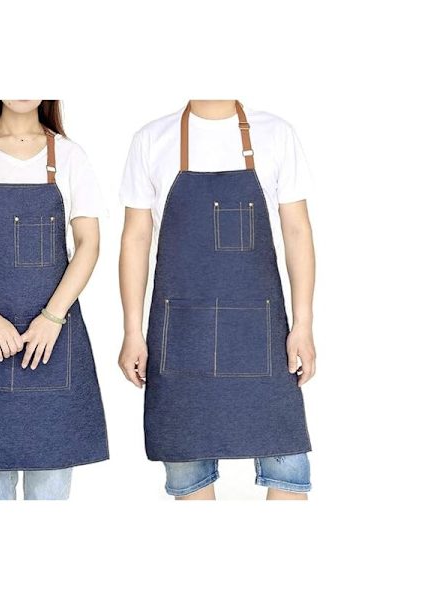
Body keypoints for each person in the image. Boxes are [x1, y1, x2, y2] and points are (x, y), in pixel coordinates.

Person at [118, 99, 315, 500]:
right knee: (188, 473)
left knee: (289, 470)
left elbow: (297, 231)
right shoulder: (151, 139)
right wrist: (132, 332)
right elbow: (135, 239)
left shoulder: (276, 133)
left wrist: (304, 323)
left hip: (260, 335)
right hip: (181, 336)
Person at [0, 100, 109, 500]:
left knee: (50, 495)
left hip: (53, 345)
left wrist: (52, 317)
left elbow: (89, 244)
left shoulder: (70, 156)